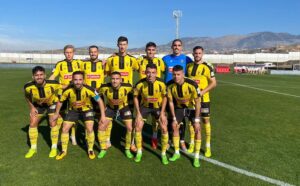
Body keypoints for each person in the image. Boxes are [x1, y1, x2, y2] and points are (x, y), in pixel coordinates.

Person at [52, 71, 106, 160]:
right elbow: (60, 102)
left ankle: (90, 149)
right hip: (73, 111)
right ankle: (63, 151)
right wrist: (56, 113)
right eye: (75, 80)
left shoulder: (90, 89)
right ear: (72, 80)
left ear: (83, 80)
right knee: (65, 128)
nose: (78, 82)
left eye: (80, 80)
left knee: (89, 128)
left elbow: (99, 101)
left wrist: (103, 115)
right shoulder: (67, 90)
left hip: (87, 110)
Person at [104, 36, 138, 151]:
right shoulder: (111, 59)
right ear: (117, 45)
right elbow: (106, 73)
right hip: (113, 91)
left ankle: (132, 143)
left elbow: (141, 70)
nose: (122, 46)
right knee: (109, 117)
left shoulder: (133, 60)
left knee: (130, 118)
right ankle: (107, 140)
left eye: (124, 44)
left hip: (128, 92)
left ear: (127, 45)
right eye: (120, 44)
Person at [167, 65, 202, 168]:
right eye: (174, 74)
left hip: (192, 108)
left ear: (183, 74)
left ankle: (196, 157)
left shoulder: (192, 84)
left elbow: (198, 102)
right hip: (179, 108)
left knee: (197, 129)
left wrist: (196, 120)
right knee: (174, 126)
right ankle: (177, 152)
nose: (176, 77)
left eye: (178, 74)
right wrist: (173, 118)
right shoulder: (169, 85)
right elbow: (171, 102)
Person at [133, 63, 168, 164]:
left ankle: (163, 154)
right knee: (138, 127)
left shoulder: (161, 83)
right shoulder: (140, 84)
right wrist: (138, 113)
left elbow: (165, 97)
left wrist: (162, 113)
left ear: (156, 73)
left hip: (158, 107)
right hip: (145, 107)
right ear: (145, 73)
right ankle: (139, 152)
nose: (150, 75)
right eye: (148, 72)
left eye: (153, 73)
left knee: (164, 128)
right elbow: (135, 97)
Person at [24, 66, 62, 158]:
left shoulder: (53, 83)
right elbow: (27, 96)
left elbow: (63, 88)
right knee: (32, 124)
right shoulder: (28, 86)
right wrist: (32, 107)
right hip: (38, 105)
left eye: (41, 75)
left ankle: (53, 147)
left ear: (45, 75)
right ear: (33, 77)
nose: (39, 77)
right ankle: (33, 148)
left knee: (52, 123)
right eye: (36, 75)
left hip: (52, 104)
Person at [162, 39, 193, 151]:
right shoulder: (165, 59)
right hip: (168, 92)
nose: (177, 47)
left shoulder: (187, 59)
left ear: (182, 47)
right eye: (175, 45)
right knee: (170, 117)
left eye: (179, 45)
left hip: (182, 94)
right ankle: (170, 140)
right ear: (171, 46)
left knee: (181, 118)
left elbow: (193, 70)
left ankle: (182, 141)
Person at [186, 46, 217, 157]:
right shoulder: (189, 66)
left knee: (205, 121)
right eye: (195, 53)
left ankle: (208, 146)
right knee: (191, 122)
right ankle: (192, 143)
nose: (197, 55)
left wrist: (202, 93)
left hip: (204, 99)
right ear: (193, 54)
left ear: (202, 54)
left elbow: (213, 83)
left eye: (199, 53)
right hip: (191, 100)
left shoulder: (208, 66)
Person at [49, 45, 82, 145]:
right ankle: (60, 136)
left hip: (75, 93)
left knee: (74, 115)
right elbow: (53, 76)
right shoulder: (59, 64)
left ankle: (73, 136)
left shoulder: (79, 63)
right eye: (67, 52)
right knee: (60, 115)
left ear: (73, 53)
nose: (69, 54)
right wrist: (46, 84)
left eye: (70, 52)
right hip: (62, 93)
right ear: (64, 53)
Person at [97, 71, 134, 159]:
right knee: (101, 127)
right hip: (110, 108)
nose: (114, 81)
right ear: (110, 79)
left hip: (124, 108)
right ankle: (103, 148)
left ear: (121, 80)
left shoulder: (128, 86)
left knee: (130, 128)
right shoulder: (104, 87)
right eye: (113, 79)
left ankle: (127, 149)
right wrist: (102, 105)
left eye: (117, 79)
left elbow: (136, 94)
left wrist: (132, 108)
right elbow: (96, 94)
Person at [136, 42, 166, 149]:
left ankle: (154, 137)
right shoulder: (139, 61)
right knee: (140, 119)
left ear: (156, 50)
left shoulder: (160, 62)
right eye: (149, 50)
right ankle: (140, 140)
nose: (151, 52)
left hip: (157, 94)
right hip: (142, 93)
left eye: (153, 50)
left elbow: (166, 72)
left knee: (156, 120)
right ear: (145, 50)